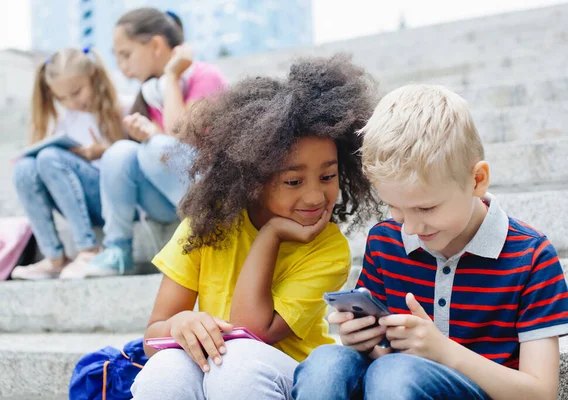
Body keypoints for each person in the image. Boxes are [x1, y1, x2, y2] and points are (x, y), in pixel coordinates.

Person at [293, 84, 568, 400]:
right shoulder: (386, 242)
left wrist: (443, 352)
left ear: (477, 180)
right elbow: (379, 358)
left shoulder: (531, 257)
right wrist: (363, 339)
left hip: (464, 389)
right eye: (395, 207)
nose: (411, 227)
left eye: (427, 208)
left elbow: (540, 393)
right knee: (326, 362)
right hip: (391, 384)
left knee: (396, 373)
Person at [130, 54, 380, 400]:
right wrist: (180, 325)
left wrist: (271, 234)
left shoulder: (327, 247)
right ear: (253, 180)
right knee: (165, 370)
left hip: (288, 378)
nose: (314, 196)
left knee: (237, 365)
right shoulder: (208, 225)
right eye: (293, 181)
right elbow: (152, 339)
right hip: (217, 368)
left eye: (327, 176)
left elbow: (251, 331)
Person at [64, 8, 227, 278]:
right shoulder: (151, 92)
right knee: (120, 152)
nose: (122, 65)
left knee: (155, 147)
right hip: (169, 200)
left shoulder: (205, 76)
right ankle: (117, 250)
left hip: (211, 195)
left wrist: (172, 76)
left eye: (126, 54)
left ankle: (210, 235)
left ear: (155, 45)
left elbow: (179, 135)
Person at [11, 48, 123, 280]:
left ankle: (88, 249)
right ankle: (55, 257)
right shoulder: (65, 122)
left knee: (49, 157)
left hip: (114, 200)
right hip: (78, 203)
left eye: (76, 92)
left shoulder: (123, 107)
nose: (71, 102)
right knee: (25, 168)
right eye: (61, 98)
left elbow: (133, 162)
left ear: (92, 76)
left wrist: (102, 151)